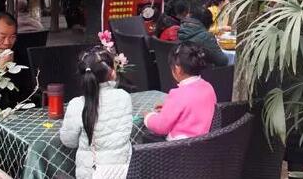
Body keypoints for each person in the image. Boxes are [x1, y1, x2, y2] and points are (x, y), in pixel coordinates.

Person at [60, 46, 132, 179]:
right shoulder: (124, 97)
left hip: (91, 173)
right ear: (112, 72)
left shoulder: (77, 104)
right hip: (124, 172)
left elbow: (69, 141)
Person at [144, 43, 216, 140]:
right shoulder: (208, 87)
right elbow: (195, 109)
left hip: (180, 145)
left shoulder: (177, 94)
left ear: (177, 69)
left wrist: (148, 117)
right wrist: (167, 108)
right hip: (205, 141)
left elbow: (161, 126)